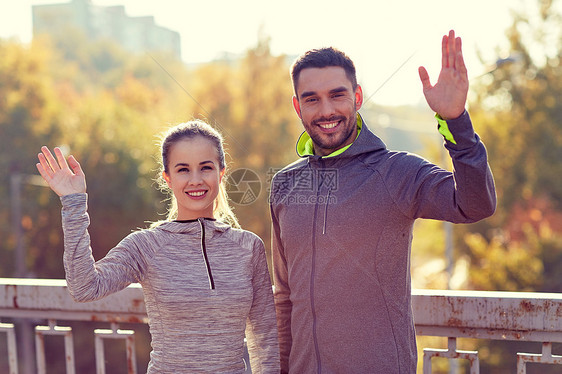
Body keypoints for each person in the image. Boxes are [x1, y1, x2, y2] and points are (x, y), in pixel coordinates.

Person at [269, 30, 496, 373]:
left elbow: (475, 204)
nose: (326, 110)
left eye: (337, 95)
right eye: (312, 99)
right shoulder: (285, 185)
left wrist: (456, 123)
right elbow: (285, 297)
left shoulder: (397, 172)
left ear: (357, 97)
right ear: (297, 105)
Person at [36, 120, 279, 373]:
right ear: (168, 178)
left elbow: (264, 337)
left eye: (205, 168)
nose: (195, 180)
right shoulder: (146, 245)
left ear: (221, 173)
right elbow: (84, 287)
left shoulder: (249, 247)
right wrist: (73, 203)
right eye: (183, 170)